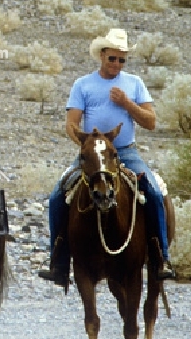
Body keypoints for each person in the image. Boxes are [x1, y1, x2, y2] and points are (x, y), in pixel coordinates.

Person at [39, 28, 175, 287]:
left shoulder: (134, 84)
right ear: (102, 56)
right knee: (58, 194)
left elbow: (151, 122)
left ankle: (161, 257)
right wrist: (86, 144)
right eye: (112, 58)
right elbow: (71, 123)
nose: (117, 64)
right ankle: (57, 259)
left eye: (122, 60)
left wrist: (127, 104)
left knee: (155, 192)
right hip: (92, 154)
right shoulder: (83, 84)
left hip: (125, 152)